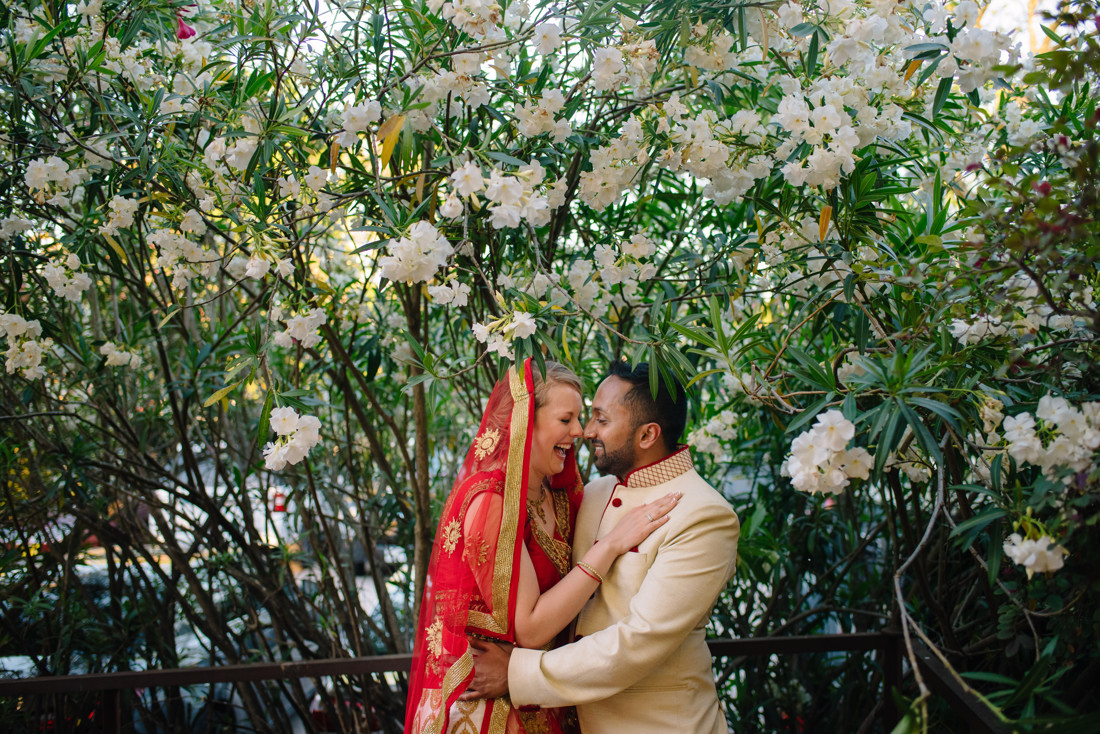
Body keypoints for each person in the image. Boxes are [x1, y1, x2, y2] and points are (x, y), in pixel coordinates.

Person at [463, 361, 741, 734]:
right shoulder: (592, 494)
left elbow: (639, 641)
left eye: (601, 420)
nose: (586, 431)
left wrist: (517, 672)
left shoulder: (704, 515)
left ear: (647, 435)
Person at [405, 359, 680, 734]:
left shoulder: (560, 495)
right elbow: (531, 628)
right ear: (524, 422)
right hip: (486, 711)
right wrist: (611, 544)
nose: (580, 431)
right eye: (566, 420)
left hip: (538, 696)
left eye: (580, 419)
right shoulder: (492, 500)